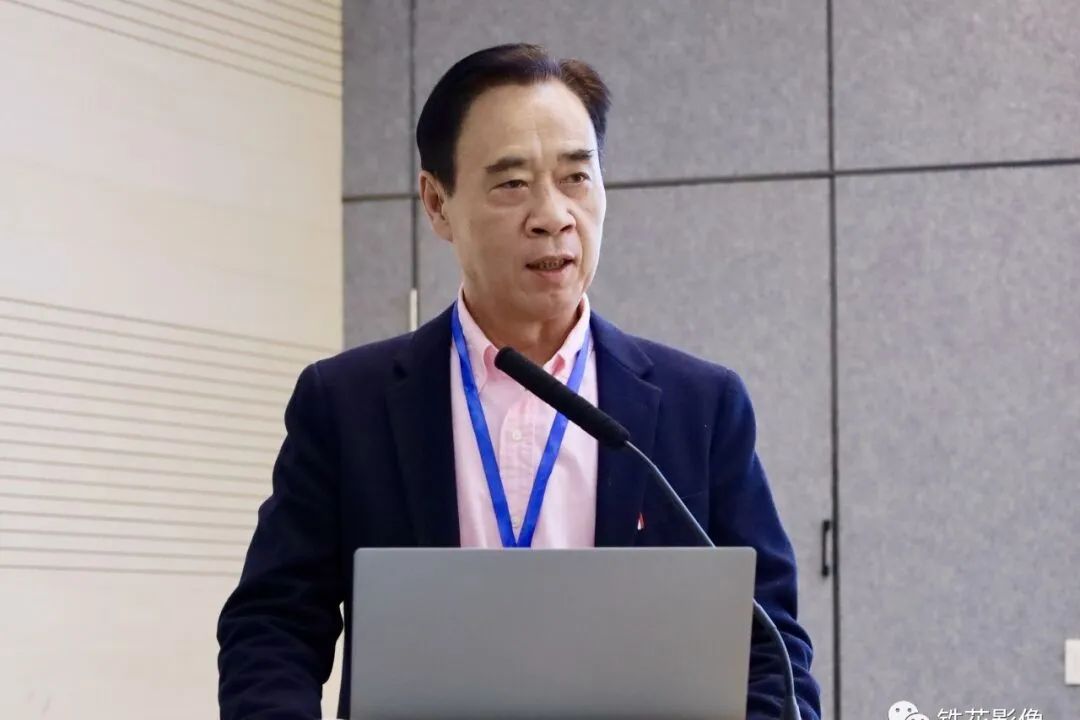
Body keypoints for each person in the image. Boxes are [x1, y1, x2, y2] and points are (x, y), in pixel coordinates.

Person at [218, 43, 821, 720]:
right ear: (437, 203)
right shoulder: (346, 404)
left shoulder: (699, 407)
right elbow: (273, 627)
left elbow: (769, 647)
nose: (552, 215)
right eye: (511, 184)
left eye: (576, 177)